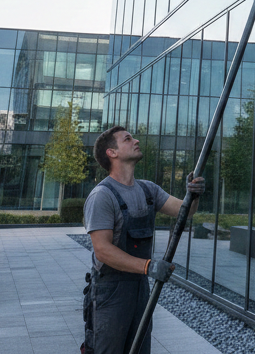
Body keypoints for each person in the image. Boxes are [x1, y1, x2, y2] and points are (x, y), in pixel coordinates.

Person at [83, 125, 206, 354]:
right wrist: (148, 266)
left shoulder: (148, 190)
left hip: (140, 288)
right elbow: (102, 250)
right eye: (128, 139)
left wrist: (193, 195)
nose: (136, 140)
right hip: (110, 292)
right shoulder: (102, 196)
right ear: (112, 153)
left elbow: (185, 211)